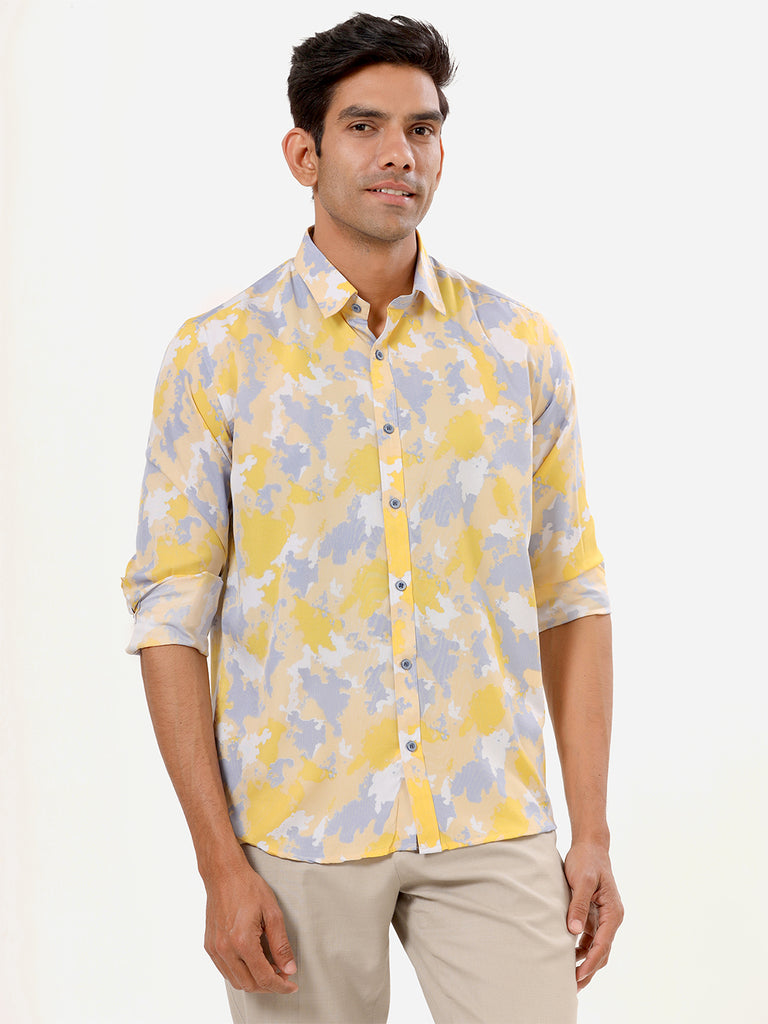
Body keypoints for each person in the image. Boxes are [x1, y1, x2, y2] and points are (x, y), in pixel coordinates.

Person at [122, 13, 623, 1023]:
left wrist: (593, 830)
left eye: (422, 128)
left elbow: (570, 594)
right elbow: (171, 616)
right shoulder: (218, 355)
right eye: (365, 126)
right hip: (297, 829)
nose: (400, 153)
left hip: (488, 813)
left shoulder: (517, 349)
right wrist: (219, 863)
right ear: (303, 154)